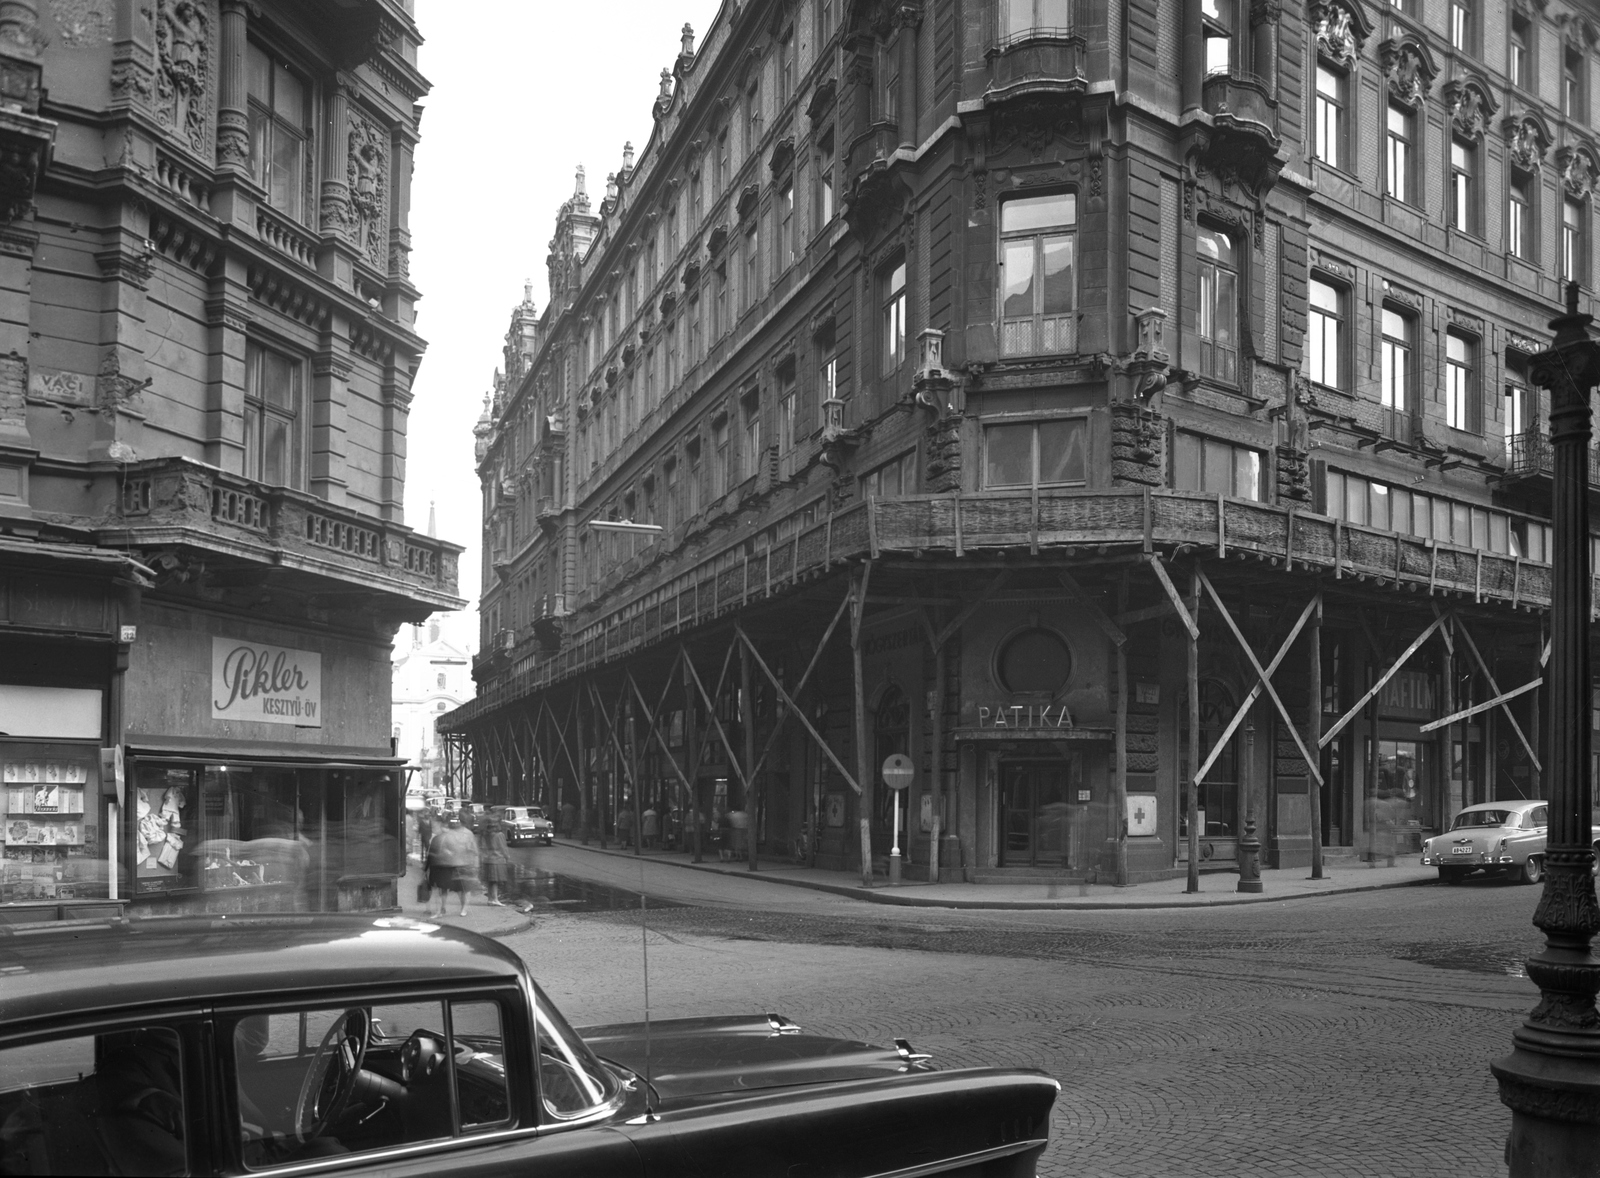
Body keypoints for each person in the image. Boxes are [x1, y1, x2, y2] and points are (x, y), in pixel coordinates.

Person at [427, 814, 479, 917]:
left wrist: (476, 865)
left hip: (465, 863)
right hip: (454, 864)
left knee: (463, 888)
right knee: (456, 888)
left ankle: (463, 908)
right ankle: (448, 908)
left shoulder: (467, 834)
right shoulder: (448, 833)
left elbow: (474, 850)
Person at [479, 816, 512, 907]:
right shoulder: (499, 835)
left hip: (487, 859)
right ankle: (495, 899)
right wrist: (507, 857)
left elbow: (482, 846)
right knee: (495, 881)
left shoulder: (486, 834)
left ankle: (490, 899)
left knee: (490, 881)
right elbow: (503, 848)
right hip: (497, 860)